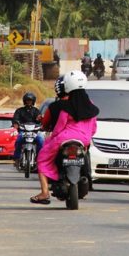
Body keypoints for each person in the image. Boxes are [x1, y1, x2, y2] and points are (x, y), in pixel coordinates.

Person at [30, 71, 98, 205]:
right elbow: (94, 127)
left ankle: (44, 192)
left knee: (42, 159)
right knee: (86, 156)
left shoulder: (66, 106)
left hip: (64, 138)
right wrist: (87, 137)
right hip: (84, 139)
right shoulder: (90, 104)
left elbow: (60, 126)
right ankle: (87, 179)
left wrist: (53, 138)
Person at [13, 92, 44, 164]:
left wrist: (40, 121)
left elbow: (40, 121)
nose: (29, 102)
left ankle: (39, 158)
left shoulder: (36, 111)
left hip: (34, 132)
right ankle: (17, 158)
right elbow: (15, 119)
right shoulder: (19, 110)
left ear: (33, 101)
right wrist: (16, 124)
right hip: (23, 131)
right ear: (25, 101)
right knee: (18, 140)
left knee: (41, 140)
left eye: (30, 100)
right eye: (27, 100)